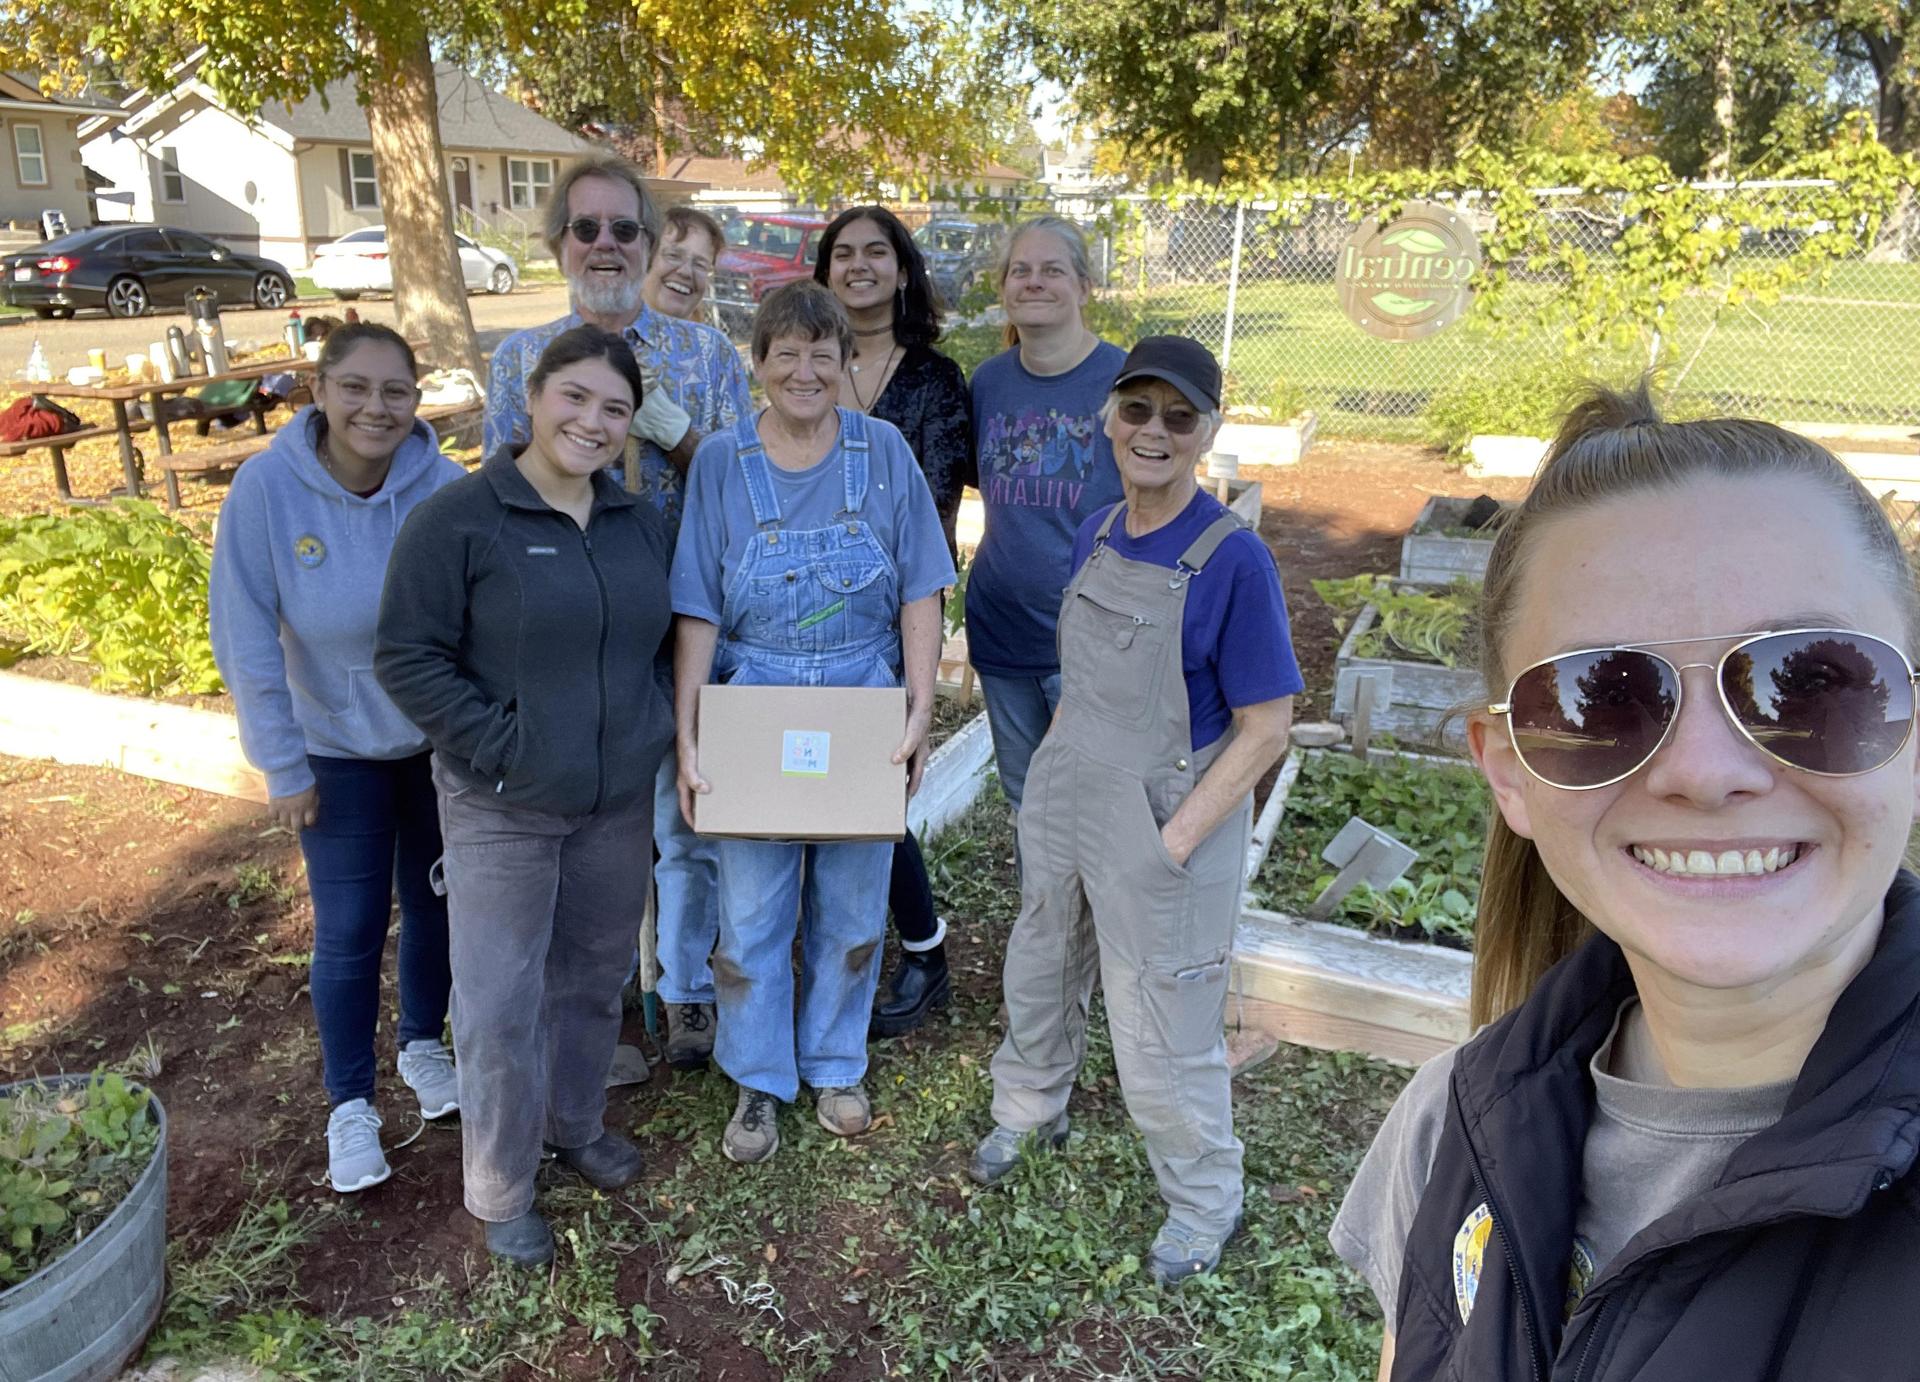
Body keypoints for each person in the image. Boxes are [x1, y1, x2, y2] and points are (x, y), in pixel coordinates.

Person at [1331, 384, 1920, 1380]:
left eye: (1814, 680)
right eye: (1597, 698)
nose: (1703, 768)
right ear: (1507, 768)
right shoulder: (1449, 1129)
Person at [969, 336, 1300, 1287]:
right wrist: (1062, 760)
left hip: (1164, 808)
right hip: (1073, 782)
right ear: (1109, 418)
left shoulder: (1233, 560)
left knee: (1163, 1014)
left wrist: (1174, 842)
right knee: (1041, 955)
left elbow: (1266, 728)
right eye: (1138, 409)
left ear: (1207, 433)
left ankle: (1203, 1203)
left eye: (1178, 416)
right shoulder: (1101, 527)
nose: (1154, 431)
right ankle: (1031, 1106)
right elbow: (1082, 669)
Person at [375, 327, 673, 1268]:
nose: (592, 421)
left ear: (631, 427)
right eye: (575, 398)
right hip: (500, 804)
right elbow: (407, 655)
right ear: (533, 399)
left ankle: (573, 1125)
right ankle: (500, 1186)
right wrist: (497, 745)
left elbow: (662, 644)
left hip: (615, 801)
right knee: (501, 1000)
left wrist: (647, 726)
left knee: (591, 980)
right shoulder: (461, 519)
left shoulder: (635, 526)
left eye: (614, 409)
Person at [671, 281, 955, 1165]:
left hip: (863, 698)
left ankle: (835, 1060)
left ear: (846, 364)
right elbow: (698, 610)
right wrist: (689, 734)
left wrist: (919, 708)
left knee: (854, 903)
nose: (804, 371)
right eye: (785, 354)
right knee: (752, 912)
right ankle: (759, 1082)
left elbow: (920, 588)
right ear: (757, 365)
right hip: (752, 699)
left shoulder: (886, 453)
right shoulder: (721, 462)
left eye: (821, 355)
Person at [484, 155, 751, 1074]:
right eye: (586, 228)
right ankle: (589, 1007)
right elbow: (498, 497)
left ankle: (685, 994)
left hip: (682, 624)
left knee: (686, 820)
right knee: (589, 824)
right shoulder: (520, 359)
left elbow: (744, 486)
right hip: (570, 630)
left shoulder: (706, 356)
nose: (605, 244)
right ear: (560, 241)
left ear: (648, 241)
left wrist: (680, 436)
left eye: (624, 229)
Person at [210, 323, 464, 1195]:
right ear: (319, 390)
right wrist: (281, 764)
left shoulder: (444, 487)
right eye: (355, 387)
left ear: (416, 400)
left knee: (436, 908)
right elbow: (244, 633)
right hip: (335, 751)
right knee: (351, 930)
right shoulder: (266, 491)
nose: (375, 407)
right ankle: (350, 1102)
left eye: (395, 391)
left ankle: (424, 1046)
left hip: (434, 746)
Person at [814, 204, 975, 1038]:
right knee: (817, 777)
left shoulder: (934, 379)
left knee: (881, 782)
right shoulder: (804, 365)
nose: (860, 266)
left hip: (896, 605)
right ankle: (839, 942)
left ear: (904, 271)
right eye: (843, 254)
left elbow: (936, 499)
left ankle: (925, 951)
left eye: (878, 252)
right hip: (804, 609)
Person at [967, 216, 1126, 820]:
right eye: (1020, 270)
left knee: (1093, 806)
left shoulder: (1122, 381)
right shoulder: (989, 382)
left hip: (1093, 641)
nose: (1034, 282)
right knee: (1025, 801)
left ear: (1085, 287)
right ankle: (1039, 919)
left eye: (1052, 270)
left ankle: (1093, 920)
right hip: (1003, 631)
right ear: (1004, 286)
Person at [642, 204, 727, 324]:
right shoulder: (610, 335)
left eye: (700, 265)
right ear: (644, 258)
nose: (686, 272)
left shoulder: (712, 342)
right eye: (673, 256)